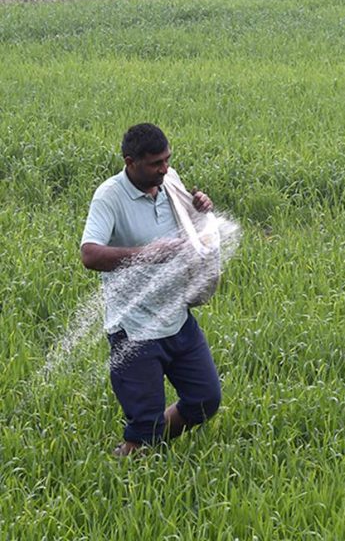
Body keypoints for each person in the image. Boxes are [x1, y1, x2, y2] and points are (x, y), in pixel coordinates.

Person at [80, 123, 221, 456]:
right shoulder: (110, 196)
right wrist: (147, 255)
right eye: (156, 163)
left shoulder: (169, 183)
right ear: (130, 162)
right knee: (145, 422)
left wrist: (197, 208)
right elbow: (89, 255)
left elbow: (189, 228)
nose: (165, 168)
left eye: (167, 160)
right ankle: (129, 466)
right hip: (135, 330)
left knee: (204, 400)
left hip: (177, 319)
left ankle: (151, 446)